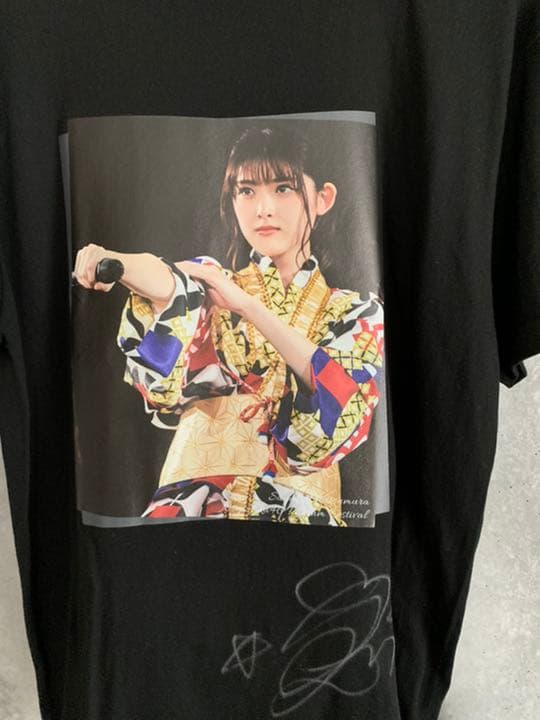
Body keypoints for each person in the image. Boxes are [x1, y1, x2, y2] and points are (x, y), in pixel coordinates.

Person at [73, 125, 385, 526]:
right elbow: (170, 283)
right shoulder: (214, 283)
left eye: (283, 188)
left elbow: (339, 397)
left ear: (323, 198)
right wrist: (118, 263)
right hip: (193, 506)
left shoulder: (356, 312)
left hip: (301, 514)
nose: (263, 208)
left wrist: (247, 306)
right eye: (246, 191)